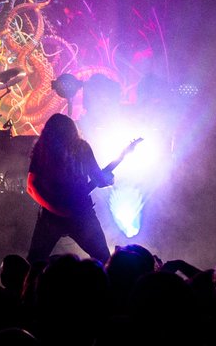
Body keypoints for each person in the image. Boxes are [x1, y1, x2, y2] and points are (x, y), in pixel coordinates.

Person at [25, 114, 138, 266]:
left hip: (76, 212)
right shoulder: (44, 149)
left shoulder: (77, 148)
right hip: (66, 214)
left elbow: (99, 179)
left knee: (103, 257)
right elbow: (31, 186)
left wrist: (109, 178)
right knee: (103, 259)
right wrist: (56, 210)